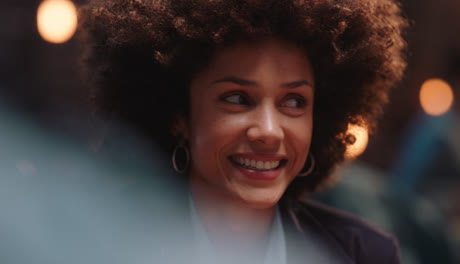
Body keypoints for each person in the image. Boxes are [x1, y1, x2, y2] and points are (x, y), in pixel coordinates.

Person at [78, 0, 407, 263]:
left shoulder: (362, 254)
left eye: (293, 101)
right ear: (180, 115)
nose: (269, 131)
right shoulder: (101, 246)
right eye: (237, 99)